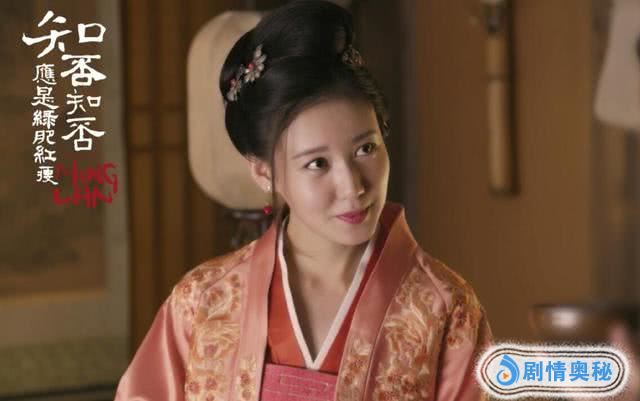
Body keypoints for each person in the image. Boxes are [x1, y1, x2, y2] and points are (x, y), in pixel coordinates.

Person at [114, 1, 492, 400]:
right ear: (263, 172)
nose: (352, 186)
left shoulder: (444, 307)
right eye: (317, 163)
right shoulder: (204, 301)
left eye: (365, 149)